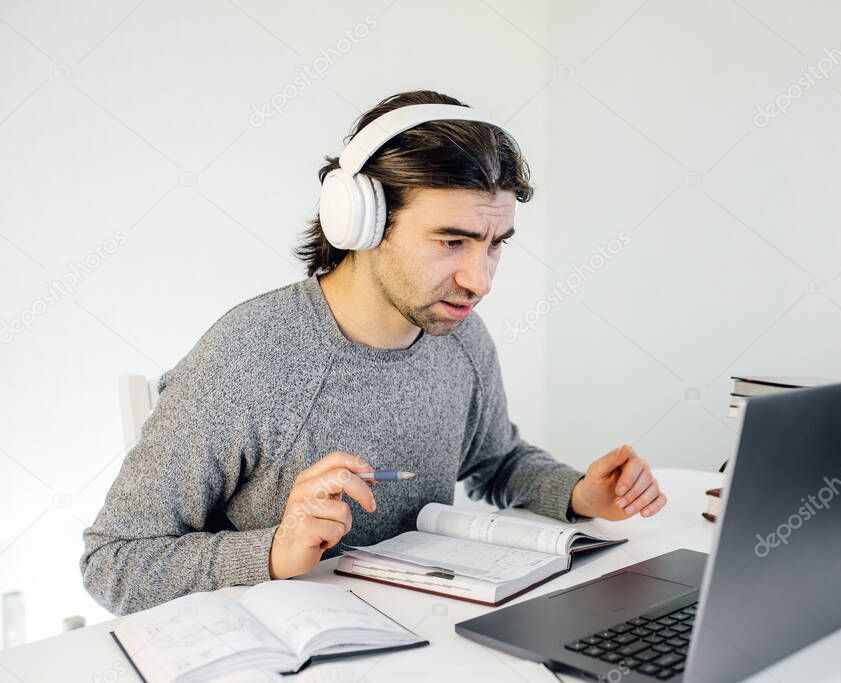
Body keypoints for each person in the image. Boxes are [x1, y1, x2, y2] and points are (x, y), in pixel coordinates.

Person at [80, 89, 666, 616]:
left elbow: (497, 462)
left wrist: (576, 494)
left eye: (494, 245)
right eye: (452, 241)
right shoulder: (249, 356)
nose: (480, 279)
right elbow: (114, 563)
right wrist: (273, 551)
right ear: (361, 222)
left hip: (422, 635)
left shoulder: (459, 336)